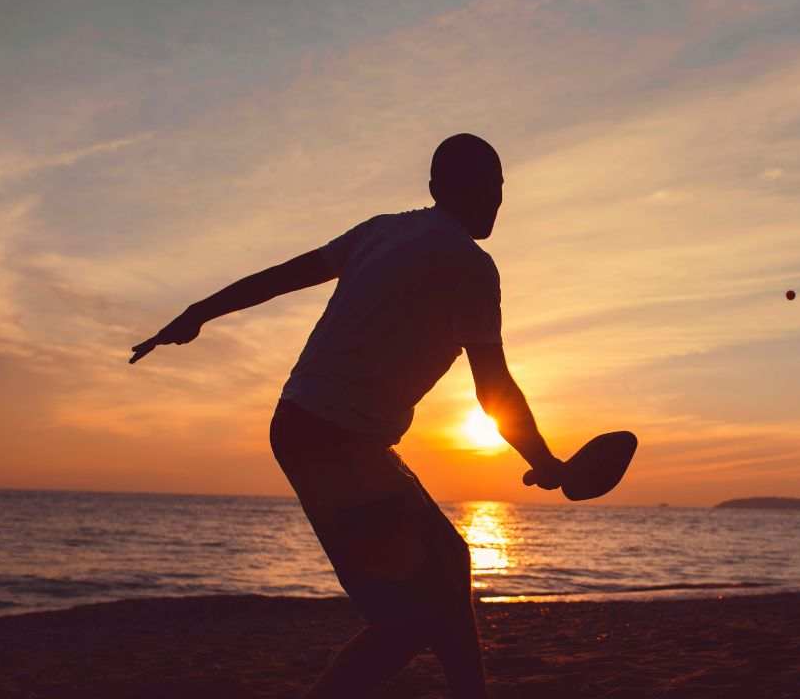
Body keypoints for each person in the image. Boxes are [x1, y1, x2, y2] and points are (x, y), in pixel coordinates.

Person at [129, 133, 566, 698]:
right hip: (335, 439)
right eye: (488, 185)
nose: (498, 200)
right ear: (441, 189)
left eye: (501, 187)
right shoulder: (472, 267)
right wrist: (544, 461)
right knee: (408, 620)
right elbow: (493, 387)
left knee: (447, 568)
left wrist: (199, 312)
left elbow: (281, 276)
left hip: (312, 428)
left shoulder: (382, 230)